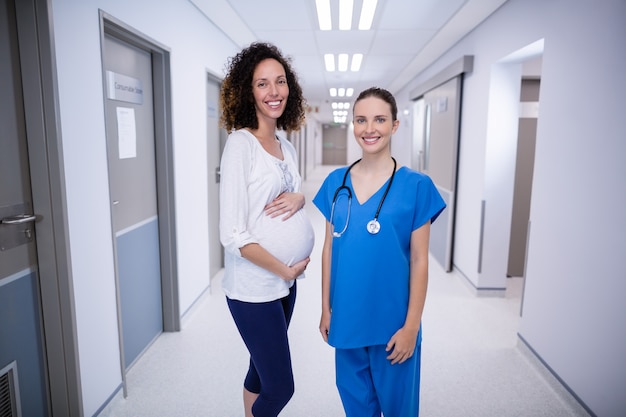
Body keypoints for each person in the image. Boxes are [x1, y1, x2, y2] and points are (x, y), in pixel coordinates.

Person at [313, 87, 446, 416]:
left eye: (379, 119)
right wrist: (326, 308)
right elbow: (330, 250)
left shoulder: (416, 186)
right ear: (352, 125)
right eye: (361, 120)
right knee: (356, 407)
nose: (369, 128)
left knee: (399, 408)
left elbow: (419, 261)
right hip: (347, 318)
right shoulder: (336, 182)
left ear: (395, 125)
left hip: (394, 324)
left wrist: (412, 326)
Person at [218, 42, 314, 417]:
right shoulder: (241, 144)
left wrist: (301, 198)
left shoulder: (285, 146)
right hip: (254, 288)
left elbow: (290, 189)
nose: (274, 92)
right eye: (262, 84)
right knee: (281, 386)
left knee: (258, 372)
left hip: (284, 285)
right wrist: (284, 269)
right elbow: (232, 233)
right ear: (248, 91)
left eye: (280, 81)